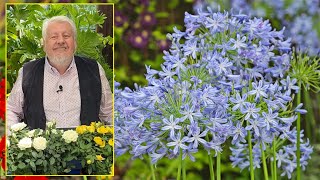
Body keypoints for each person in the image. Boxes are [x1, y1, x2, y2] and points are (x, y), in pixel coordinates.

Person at [7, 16, 113, 130]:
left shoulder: (94, 69)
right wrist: (15, 138)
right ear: (44, 44)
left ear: (75, 43)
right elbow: (12, 110)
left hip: (86, 145)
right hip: (40, 146)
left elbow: (109, 112)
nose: (61, 41)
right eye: (54, 37)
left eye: (66, 36)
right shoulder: (28, 72)